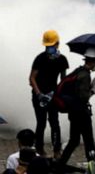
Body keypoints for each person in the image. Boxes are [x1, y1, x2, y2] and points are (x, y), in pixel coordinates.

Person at [58, 48, 95, 167]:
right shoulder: (85, 75)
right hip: (81, 113)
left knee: (74, 140)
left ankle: (61, 164)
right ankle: (93, 167)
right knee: (89, 142)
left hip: (73, 112)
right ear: (92, 62)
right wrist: (94, 90)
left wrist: (91, 85)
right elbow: (83, 98)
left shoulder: (79, 71)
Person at [29, 30, 69, 158]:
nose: (49, 48)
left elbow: (64, 81)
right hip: (39, 96)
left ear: (57, 44)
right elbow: (32, 78)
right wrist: (39, 94)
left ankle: (57, 150)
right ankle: (39, 150)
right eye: (47, 46)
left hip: (53, 96)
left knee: (54, 123)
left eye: (51, 45)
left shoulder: (62, 60)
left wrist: (54, 93)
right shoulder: (40, 59)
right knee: (41, 123)